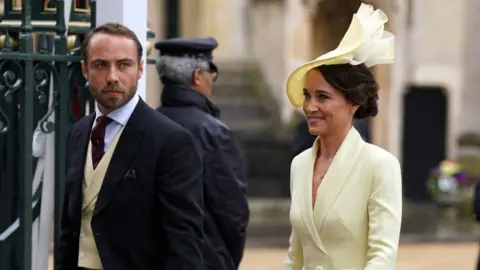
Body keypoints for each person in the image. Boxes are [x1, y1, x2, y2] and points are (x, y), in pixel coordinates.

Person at [56, 23, 204, 270]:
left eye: (123, 65)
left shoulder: (171, 141)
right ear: (84, 69)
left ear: (140, 69)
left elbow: (183, 242)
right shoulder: (78, 132)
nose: (112, 76)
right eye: (101, 65)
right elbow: (69, 226)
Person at [284, 4, 402, 270]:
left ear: (353, 103)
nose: (310, 107)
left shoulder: (379, 165)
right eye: (307, 96)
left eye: (322, 97)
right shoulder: (300, 164)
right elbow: (295, 256)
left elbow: (382, 257)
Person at [155, 37, 250, 270]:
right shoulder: (213, 133)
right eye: (211, 74)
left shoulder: (144, 127)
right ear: (198, 76)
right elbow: (233, 212)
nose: (211, 82)